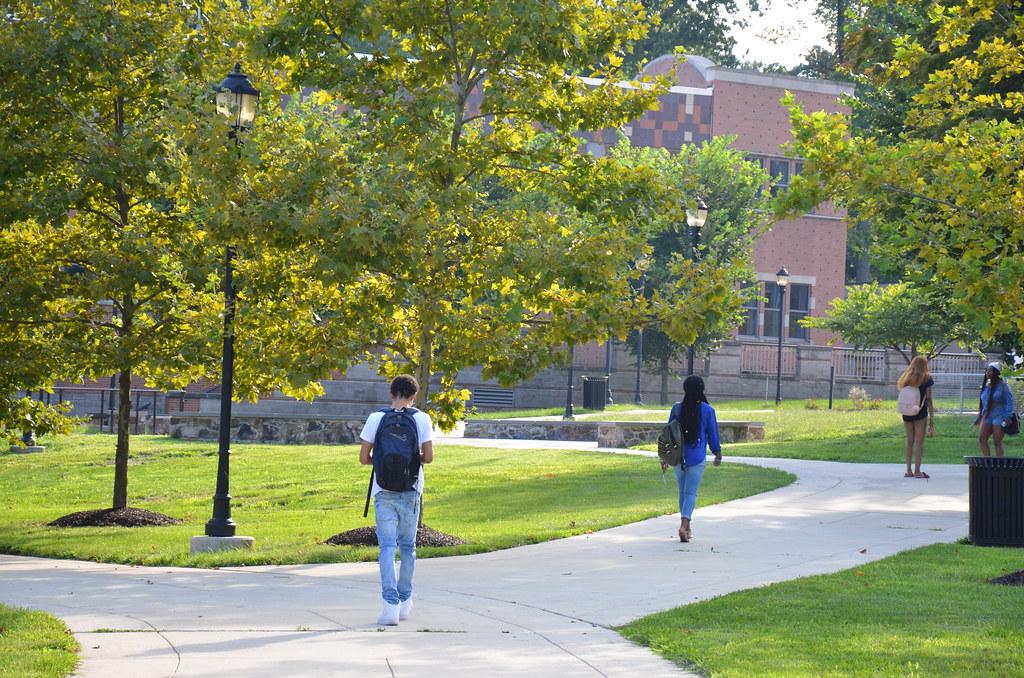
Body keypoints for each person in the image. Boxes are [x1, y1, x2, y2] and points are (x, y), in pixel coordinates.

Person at [359, 375, 434, 626]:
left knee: (387, 548)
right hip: (411, 489)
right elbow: (429, 457)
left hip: (383, 491)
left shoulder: (376, 418)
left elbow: (363, 458)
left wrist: (383, 461)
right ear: (414, 396)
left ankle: (389, 605)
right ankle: (405, 600)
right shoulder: (422, 419)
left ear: (391, 394)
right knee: (408, 548)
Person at [663, 375, 721, 543]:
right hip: (696, 456)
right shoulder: (708, 410)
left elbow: (668, 433)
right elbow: (712, 435)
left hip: (678, 457)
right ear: (701, 389)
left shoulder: (676, 409)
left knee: (682, 492)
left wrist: (664, 457)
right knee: (691, 492)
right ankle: (684, 525)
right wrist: (717, 452)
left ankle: (687, 527)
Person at [897, 356, 935, 479]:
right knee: (919, 442)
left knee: (909, 441)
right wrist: (932, 418)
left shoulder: (906, 378)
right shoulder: (927, 378)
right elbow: (928, 398)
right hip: (920, 412)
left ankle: (908, 471)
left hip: (906, 411)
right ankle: (918, 471)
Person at [976, 362, 1015, 457]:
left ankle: (999, 464)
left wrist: (1008, 416)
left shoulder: (1003, 386)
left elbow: (1009, 401)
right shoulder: (986, 386)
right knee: (982, 438)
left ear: (996, 372)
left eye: (990, 370)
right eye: (987, 370)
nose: (988, 372)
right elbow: (983, 402)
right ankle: (987, 462)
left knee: (997, 441)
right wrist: (980, 416)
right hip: (987, 416)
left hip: (999, 416)